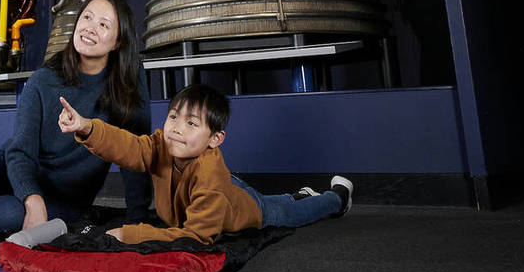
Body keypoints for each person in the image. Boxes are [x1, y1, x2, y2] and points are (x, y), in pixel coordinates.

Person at [0, 0, 153, 235]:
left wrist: (138, 221)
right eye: (87, 18)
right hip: (14, 167)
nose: (90, 28)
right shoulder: (44, 79)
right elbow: (20, 151)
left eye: (103, 25)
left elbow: (137, 153)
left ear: (118, 42)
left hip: (66, 198)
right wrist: (32, 199)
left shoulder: (129, 79)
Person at [58, 82, 353, 244]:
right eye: (173, 116)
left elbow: (197, 236)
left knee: (292, 212)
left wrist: (132, 234)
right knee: (276, 199)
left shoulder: (210, 178)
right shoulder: (162, 143)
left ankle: (337, 198)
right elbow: (129, 147)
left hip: (244, 205)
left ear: (215, 139)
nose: (176, 127)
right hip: (228, 188)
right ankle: (298, 194)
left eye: (191, 123)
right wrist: (86, 127)